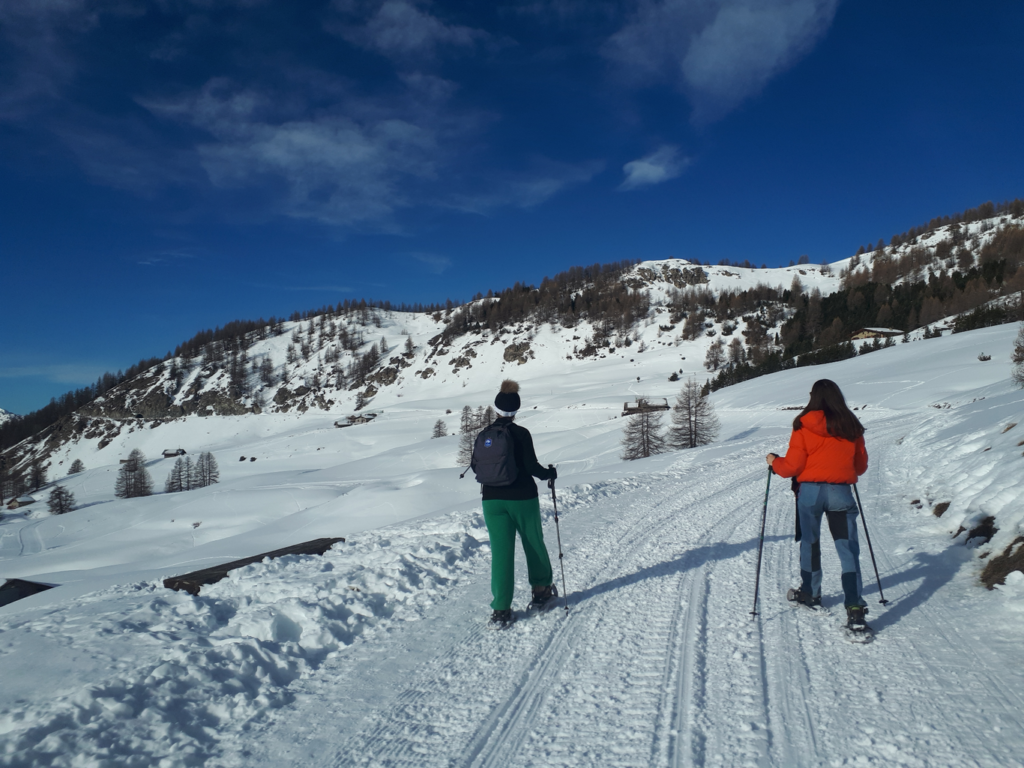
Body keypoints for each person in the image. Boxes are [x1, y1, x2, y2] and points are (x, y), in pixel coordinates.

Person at [766, 379, 870, 629]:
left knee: (810, 544)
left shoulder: (803, 425)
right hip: (840, 494)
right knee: (848, 550)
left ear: (813, 397)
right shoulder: (851, 426)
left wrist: (773, 461)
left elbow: (792, 467)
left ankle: (811, 594)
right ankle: (855, 607)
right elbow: (860, 467)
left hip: (810, 494)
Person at [474, 379, 558, 627]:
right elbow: (531, 467)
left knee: (501, 554)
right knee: (533, 542)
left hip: (491, 499)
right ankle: (541, 592)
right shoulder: (521, 433)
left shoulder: (485, 435)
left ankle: (501, 609)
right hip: (521, 497)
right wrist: (549, 474)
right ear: (516, 410)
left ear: (496, 408)